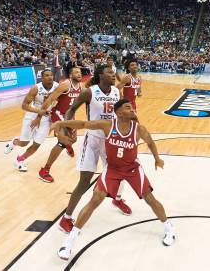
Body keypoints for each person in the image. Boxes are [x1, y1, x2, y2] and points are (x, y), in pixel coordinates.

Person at [52, 98, 175, 260]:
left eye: (132, 107)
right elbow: (83, 124)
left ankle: (169, 228)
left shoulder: (139, 129)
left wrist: (157, 159)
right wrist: (61, 123)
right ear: (118, 112)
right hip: (113, 169)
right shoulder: (108, 125)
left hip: (132, 168)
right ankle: (69, 241)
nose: (132, 110)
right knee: (96, 198)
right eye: (127, 107)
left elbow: (151, 142)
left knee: (149, 198)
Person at [57, 65, 131, 234]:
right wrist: (67, 127)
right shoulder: (89, 92)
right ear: (100, 75)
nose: (114, 75)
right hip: (93, 140)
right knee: (84, 181)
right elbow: (70, 110)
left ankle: (117, 199)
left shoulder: (116, 92)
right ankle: (66, 218)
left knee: (120, 175)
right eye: (110, 72)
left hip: (111, 140)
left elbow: (121, 114)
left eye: (113, 72)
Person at [4, 69, 58, 172]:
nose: (50, 77)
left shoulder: (57, 86)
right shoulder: (35, 88)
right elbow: (24, 105)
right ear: (42, 78)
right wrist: (39, 111)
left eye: (51, 75)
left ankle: (19, 160)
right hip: (32, 115)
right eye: (46, 75)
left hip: (47, 118)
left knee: (37, 143)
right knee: (24, 143)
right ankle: (15, 142)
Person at [36, 66, 83, 183]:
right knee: (63, 141)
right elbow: (51, 98)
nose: (79, 74)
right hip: (58, 114)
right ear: (71, 75)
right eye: (76, 72)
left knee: (74, 140)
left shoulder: (82, 87)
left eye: (80, 72)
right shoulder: (66, 85)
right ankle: (45, 170)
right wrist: (39, 115)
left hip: (69, 115)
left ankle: (68, 145)